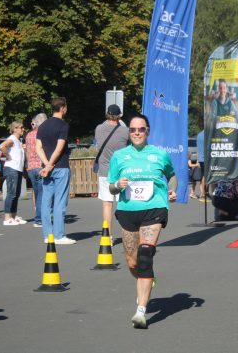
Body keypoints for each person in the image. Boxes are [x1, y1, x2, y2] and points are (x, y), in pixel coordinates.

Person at [108, 114, 177, 329]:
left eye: (141, 129)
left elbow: (172, 175)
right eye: (133, 130)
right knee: (133, 262)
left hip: (154, 209)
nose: (137, 133)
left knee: (146, 255)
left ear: (148, 131)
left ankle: (141, 311)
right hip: (128, 211)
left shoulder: (160, 154)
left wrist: (172, 189)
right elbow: (110, 187)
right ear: (128, 132)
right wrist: (117, 184)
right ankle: (146, 279)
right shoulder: (119, 156)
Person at [36, 97, 76, 244]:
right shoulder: (63, 126)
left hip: (46, 168)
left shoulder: (42, 126)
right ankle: (59, 235)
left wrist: (46, 165)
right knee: (59, 201)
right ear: (63, 108)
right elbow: (59, 149)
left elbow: (38, 148)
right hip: (60, 166)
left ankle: (48, 235)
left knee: (46, 201)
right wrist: (51, 164)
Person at [94, 104, 128, 243]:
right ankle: (127, 234)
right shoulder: (125, 131)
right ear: (119, 115)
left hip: (104, 171)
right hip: (121, 172)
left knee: (107, 204)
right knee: (124, 204)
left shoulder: (99, 129)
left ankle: (107, 236)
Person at [0, 121, 26, 226]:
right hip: (11, 168)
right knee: (11, 193)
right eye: (21, 127)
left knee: (16, 193)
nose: (23, 129)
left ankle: (13, 216)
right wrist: (7, 155)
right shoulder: (12, 139)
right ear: (14, 129)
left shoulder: (18, 141)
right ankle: (7, 217)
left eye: (23, 127)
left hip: (17, 169)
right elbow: (2, 146)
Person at [25, 113, 47, 227]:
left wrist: (28, 164)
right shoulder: (43, 134)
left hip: (31, 166)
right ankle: (39, 219)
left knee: (37, 193)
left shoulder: (28, 135)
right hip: (40, 165)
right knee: (42, 195)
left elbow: (28, 152)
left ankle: (39, 216)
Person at [196, 129, 208, 201]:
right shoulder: (207, 135)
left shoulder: (199, 135)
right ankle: (204, 193)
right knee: (206, 176)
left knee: (204, 175)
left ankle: (203, 192)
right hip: (206, 158)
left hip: (201, 158)